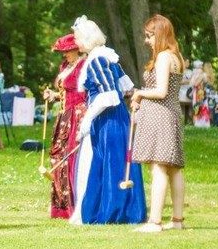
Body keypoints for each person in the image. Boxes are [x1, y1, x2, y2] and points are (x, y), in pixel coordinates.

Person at [69, 15, 146, 225]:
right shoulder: (107, 56)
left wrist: (87, 120)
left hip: (108, 119)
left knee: (110, 161)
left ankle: (111, 211)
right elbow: (127, 88)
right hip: (116, 117)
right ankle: (123, 210)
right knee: (118, 160)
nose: (75, 42)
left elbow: (107, 95)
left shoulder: (97, 59)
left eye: (77, 38)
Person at [131, 15, 187, 232]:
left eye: (149, 36)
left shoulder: (164, 57)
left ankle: (155, 222)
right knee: (174, 168)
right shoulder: (177, 56)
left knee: (159, 166)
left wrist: (139, 94)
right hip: (171, 113)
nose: (147, 40)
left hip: (161, 114)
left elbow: (161, 90)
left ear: (160, 34)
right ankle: (177, 220)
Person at [42, 33, 87, 219]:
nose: (65, 55)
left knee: (70, 156)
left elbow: (84, 93)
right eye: (63, 52)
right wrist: (53, 95)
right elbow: (65, 93)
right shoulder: (65, 66)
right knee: (57, 156)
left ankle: (75, 204)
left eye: (67, 51)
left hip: (77, 115)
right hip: (64, 116)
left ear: (77, 48)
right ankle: (60, 205)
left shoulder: (84, 65)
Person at [178, 59, 193, 123]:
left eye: (188, 62)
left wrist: (185, 81)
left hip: (189, 92)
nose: (188, 63)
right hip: (181, 92)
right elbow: (179, 81)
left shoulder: (190, 71)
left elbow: (192, 81)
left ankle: (188, 120)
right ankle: (182, 121)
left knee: (189, 106)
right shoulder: (179, 71)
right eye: (186, 62)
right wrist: (187, 81)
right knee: (182, 107)